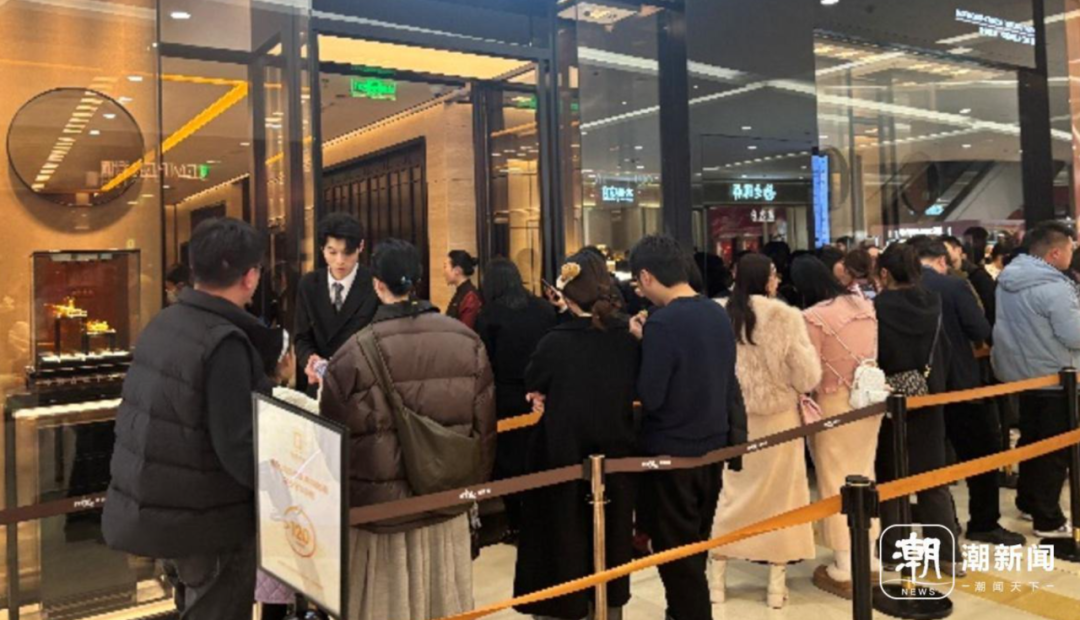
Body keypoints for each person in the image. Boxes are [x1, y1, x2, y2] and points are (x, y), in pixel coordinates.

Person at [103, 218, 272, 620]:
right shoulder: (224, 342)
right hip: (209, 522)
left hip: (165, 511)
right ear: (250, 276)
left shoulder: (164, 323)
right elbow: (237, 447)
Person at [320, 239, 497, 620]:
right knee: (444, 605)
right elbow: (484, 429)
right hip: (446, 505)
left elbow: (330, 446)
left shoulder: (352, 354)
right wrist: (469, 490)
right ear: (417, 280)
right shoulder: (466, 342)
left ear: (376, 284)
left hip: (380, 517)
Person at [627, 234, 747, 620]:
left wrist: (642, 342)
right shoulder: (716, 312)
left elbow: (652, 395)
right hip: (713, 447)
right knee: (694, 547)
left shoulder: (663, 323)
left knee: (677, 558)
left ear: (647, 276)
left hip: (672, 453)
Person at [513, 252, 638, 620]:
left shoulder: (555, 342)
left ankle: (565, 607)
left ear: (565, 296)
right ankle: (608, 605)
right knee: (611, 539)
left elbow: (534, 381)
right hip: (616, 453)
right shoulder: (627, 337)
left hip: (561, 452)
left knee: (561, 538)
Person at [711, 254, 821, 609]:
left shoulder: (719, 313)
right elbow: (806, 375)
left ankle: (716, 580)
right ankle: (775, 587)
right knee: (782, 499)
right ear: (766, 279)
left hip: (732, 420)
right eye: (774, 274)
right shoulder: (785, 317)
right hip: (778, 420)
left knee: (731, 494)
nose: (777, 280)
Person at [911, 238, 1023, 546]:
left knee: (931, 460)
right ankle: (984, 523)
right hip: (959, 383)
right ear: (941, 260)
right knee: (981, 454)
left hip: (917, 389)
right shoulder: (952, 287)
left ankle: (945, 523)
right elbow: (980, 330)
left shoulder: (896, 289)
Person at [790, 255, 883, 599]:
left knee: (835, 481)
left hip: (833, 403)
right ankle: (870, 557)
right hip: (868, 397)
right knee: (865, 474)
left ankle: (845, 563)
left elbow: (809, 373)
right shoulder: (865, 306)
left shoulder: (812, 317)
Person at [873, 243, 962, 574]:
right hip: (930, 397)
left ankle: (894, 553)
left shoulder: (877, 307)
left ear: (884, 273)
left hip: (891, 399)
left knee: (891, 476)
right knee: (932, 478)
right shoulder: (934, 302)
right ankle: (948, 556)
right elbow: (946, 350)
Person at [993, 221, 1080, 539]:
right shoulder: (1054, 287)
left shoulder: (1009, 278)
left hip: (1022, 375)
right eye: (1070, 248)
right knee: (1054, 451)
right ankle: (1048, 519)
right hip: (1056, 376)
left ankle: (1028, 501)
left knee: (1032, 441)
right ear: (1055, 253)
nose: (1073, 253)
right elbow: (1074, 335)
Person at [475, 258, 557, 535]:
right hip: (543, 393)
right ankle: (541, 519)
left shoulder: (488, 316)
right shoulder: (543, 309)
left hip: (506, 397)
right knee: (539, 457)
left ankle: (515, 522)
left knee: (509, 461)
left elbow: (484, 363)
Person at [294, 213, 379, 394]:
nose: (340, 260)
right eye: (332, 252)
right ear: (322, 248)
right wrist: (311, 360)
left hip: (362, 387)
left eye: (347, 252)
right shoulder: (309, 284)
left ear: (360, 247)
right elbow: (301, 337)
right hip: (320, 384)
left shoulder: (375, 284)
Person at [444, 250, 483, 330]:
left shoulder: (470, 296)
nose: (444, 272)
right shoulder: (460, 292)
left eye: (445, 266)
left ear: (457, 270)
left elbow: (465, 330)